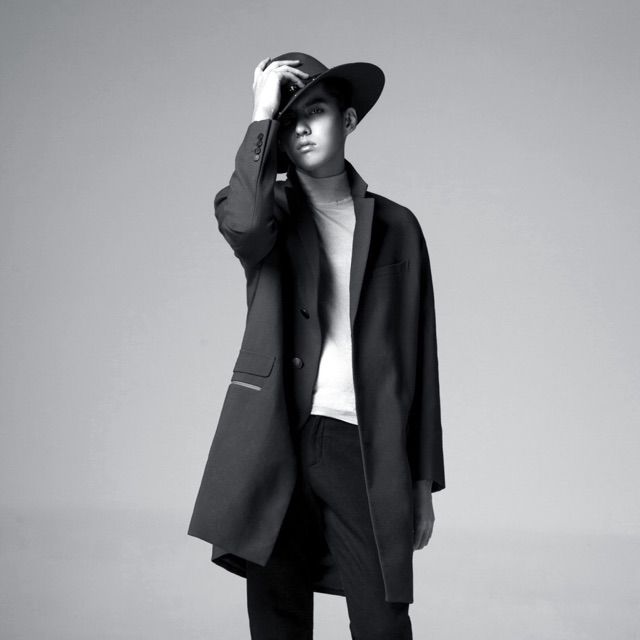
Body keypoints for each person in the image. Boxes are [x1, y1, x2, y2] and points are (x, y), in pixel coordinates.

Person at [188, 52, 446, 640]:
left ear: (348, 119)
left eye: (317, 111)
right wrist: (261, 114)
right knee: (277, 621)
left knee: (382, 622)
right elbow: (244, 224)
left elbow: (421, 358)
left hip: (361, 443)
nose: (301, 128)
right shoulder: (266, 211)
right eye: (290, 119)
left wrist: (422, 482)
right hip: (273, 438)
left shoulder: (397, 227)